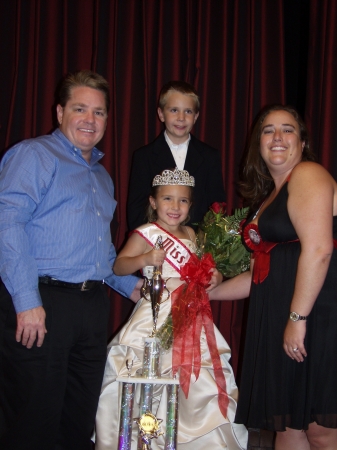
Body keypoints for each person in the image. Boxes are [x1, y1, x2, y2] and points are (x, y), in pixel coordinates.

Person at [0, 70, 142, 450]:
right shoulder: (34, 155)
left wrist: (135, 289)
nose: (90, 120)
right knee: (33, 421)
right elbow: (7, 223)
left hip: (92, 308)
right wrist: (28, 302)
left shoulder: (102, 176)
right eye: (80, 109)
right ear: (59, 111)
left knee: (79, 419)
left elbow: (102, 254)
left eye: (99, 112)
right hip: (43, 303)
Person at [210, 105, 337, 449]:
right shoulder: (270, 198)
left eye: (288, 129)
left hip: (316, 317)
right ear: (258, 142)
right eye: (268, 130)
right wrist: (203, 292)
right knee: (288, 427)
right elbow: (261, 274)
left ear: (303, 140)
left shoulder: (308, 174)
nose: (277, 137)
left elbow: (319, 249)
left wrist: (298, 318)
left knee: (319, 429)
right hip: (287, 317)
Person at [95, 168, 248, 449]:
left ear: (190, 205)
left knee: (198, 380)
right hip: (155, 314)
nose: (175, 207)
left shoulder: (193, 233)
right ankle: (144, 438)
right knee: (148, 376)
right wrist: (144, 257)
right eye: (167, 199)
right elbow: (118, 266)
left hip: (192, 314)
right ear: (153, 202)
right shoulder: (146, 233)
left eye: (183, 201)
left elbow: (208, 270)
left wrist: (215, 277)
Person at [127, 80, 226, 230]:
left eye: (188, 111)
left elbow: (217, 208)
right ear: (161, 114)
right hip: (156, 246)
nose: (181, 117)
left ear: (196, 116)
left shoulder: (210, 157)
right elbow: (136, 212)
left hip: (198, 247)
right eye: (174, 110)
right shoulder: (144, 157)